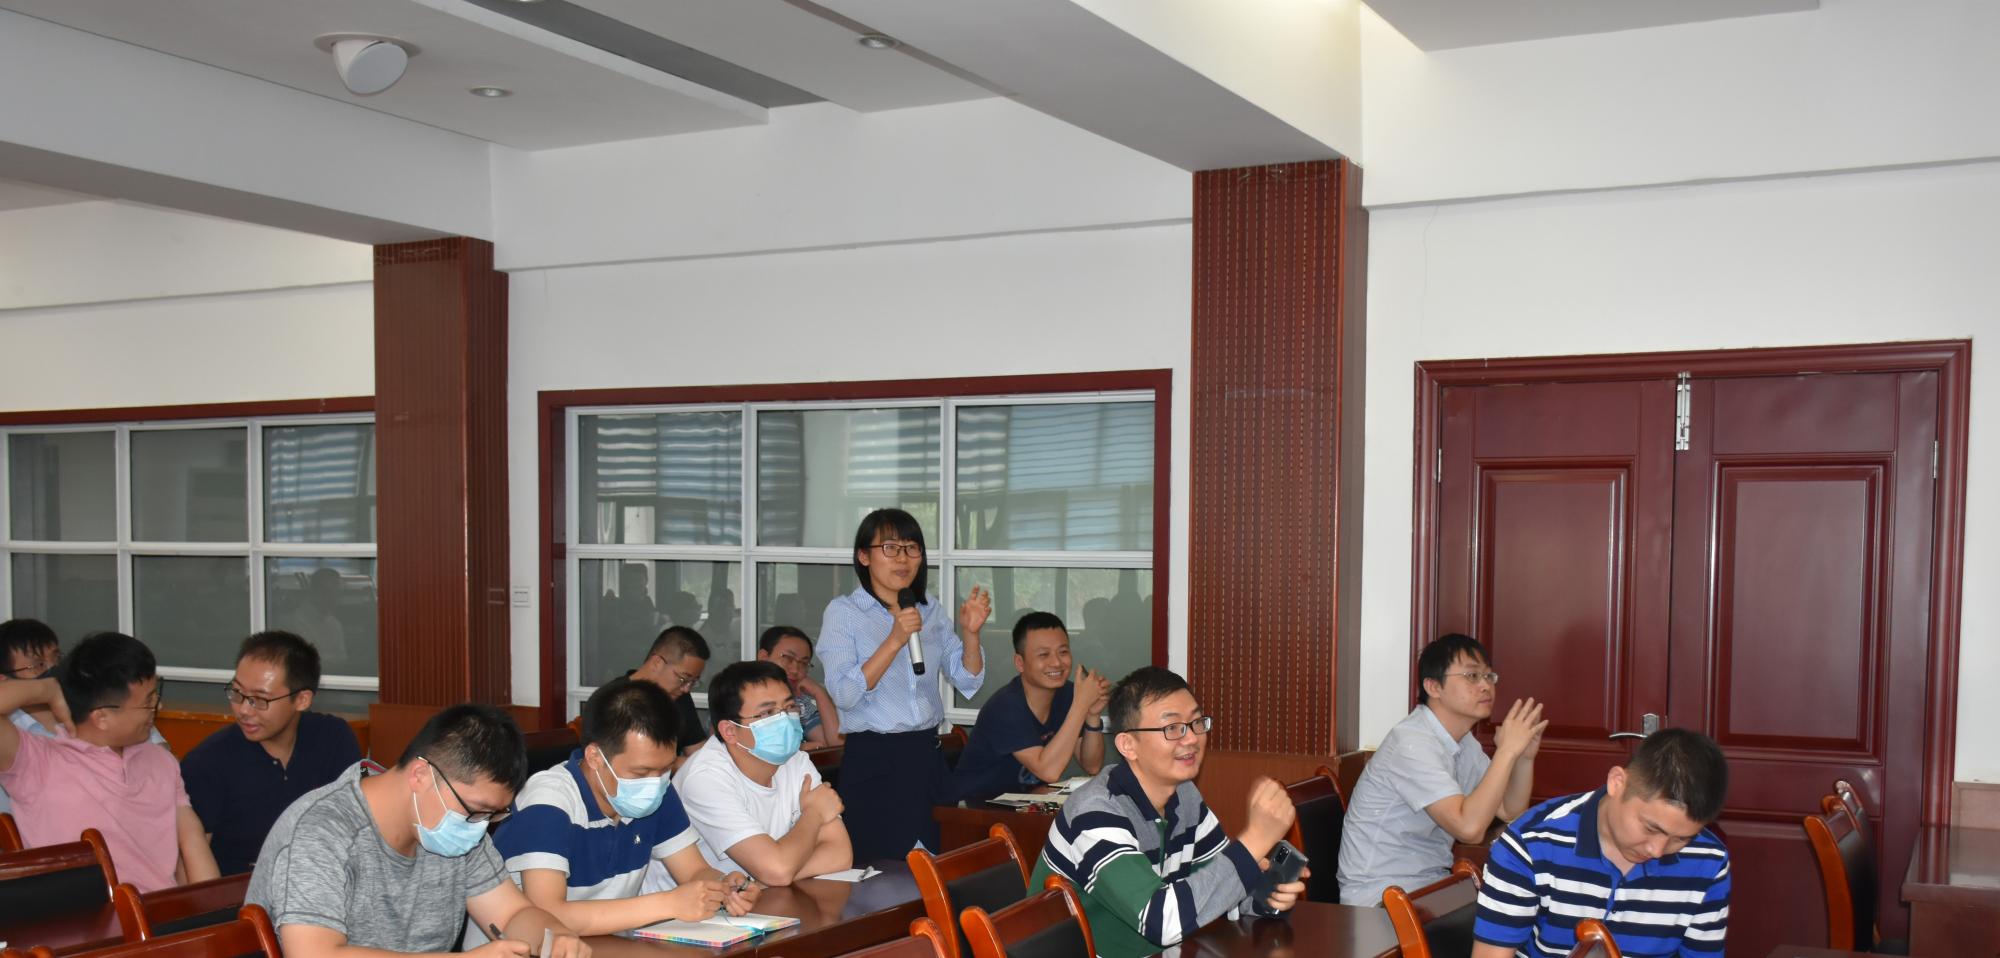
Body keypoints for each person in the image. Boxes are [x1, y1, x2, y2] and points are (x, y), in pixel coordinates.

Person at [247, 704, 590, 958]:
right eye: (475, 810)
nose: (480, 825)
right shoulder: (322, 831)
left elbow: (513, 913)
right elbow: (314, 954)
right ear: (420, 775)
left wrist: (556, 936)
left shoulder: (451, 827)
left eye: (492, 814)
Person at [1031, 667, 1306, 958]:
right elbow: (1162, 921)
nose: (1191, 739)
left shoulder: (1184, 795)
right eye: (1172, 728)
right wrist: (1255, 841)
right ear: (1128, 745)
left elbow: (1214, 889)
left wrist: (1265, 896)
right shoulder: (1094, 813)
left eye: (1196, 722)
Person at [493, 678, 761, 934]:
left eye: (665, 769)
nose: (654, 782)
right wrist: (668, 904)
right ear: (595, 757)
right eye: (640, 772)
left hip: (608, 944)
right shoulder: (548, 803)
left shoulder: (657, 791)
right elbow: (547, 915)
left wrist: (723, 886)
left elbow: (693, 871)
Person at [817, 508, 990, 860]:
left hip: (927, 759)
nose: (903, 558)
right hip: (876, 763)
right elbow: (845, 694)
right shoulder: (844, 613)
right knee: (882, 874)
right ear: (863, 556)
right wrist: (895, 639)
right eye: (890, 548)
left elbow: (966, 677)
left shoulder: (930, 610)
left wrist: (971, 634)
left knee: (941, 868)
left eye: (912, 548)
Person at [1472, 728, 1732, 957]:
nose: (1657, 850)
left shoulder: (1709, 860)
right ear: (1617, 783)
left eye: (1681, 839)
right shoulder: (1531, 844)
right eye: (1650, 828)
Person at [0, 631, 220, 891]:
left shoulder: (160, 760)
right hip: (79, 916)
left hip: (156, 911)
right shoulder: (36, 761)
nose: (157, 708)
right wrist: (46, 689)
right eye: (148, 702)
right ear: (102, 717)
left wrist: (211, 908)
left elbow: (191, 838)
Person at [1338, 633, 1547, 906]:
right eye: (1472, 676)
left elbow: (1509, 809)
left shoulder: (1463, 742)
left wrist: (1524, 758)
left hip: (1429, 888)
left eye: (1488, 676)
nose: (1485, 685)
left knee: (1524, 909)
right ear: (1433, 686)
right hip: (1380, 898)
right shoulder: (1412, 743)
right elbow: (1469, 829)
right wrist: (1506, 752)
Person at [182, 631, 364, 874]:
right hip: (240, 892)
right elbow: (187, 866)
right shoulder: (207, 762)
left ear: (302, 699)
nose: (244, 710)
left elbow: (357, 825)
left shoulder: (333, 738)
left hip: (322, 880)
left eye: (260, 699)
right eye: (237, 693)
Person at [673, 661, 851, 885]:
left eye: (789, 707)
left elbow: (839, 854)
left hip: (755, 897)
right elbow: (777, 871)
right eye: (767, 712)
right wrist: (814, 813)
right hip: (687, 905)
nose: (784, 719)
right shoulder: (705, 777)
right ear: (730, 731)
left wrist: (762, 882)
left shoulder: (795, 760)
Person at [953, 611, 1109, 802]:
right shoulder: (1006, 707)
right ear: (1020, 663)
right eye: (1044, 654)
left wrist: (1092, 715)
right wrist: (1081, 704)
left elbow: (1092, 766)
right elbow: (1048, 771)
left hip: (1026, 803)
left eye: (1063, 652)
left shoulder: (1068, 694)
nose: (1056, 662)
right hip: (976, 809)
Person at [629, 626, 711, 758]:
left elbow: (698, 754)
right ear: (657, 663)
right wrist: (678, 764)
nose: (686, 688)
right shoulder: (615, 700)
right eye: (683, 679)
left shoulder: (680, 697)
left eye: (693, 682)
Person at [755, 626, 841, 748]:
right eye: (788, 658)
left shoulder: (801, 702)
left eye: (804, 663)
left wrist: (819, 693)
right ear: (763, 657)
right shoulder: (742, 695)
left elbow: (835, 744)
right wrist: (800, 748)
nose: (795, 670)